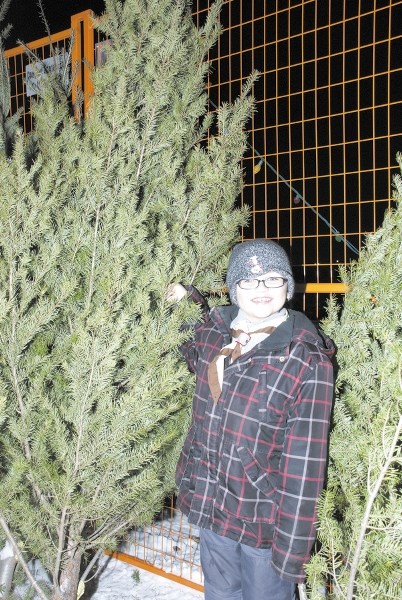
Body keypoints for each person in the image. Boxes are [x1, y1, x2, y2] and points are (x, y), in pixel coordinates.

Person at [168, 239, 335, 600]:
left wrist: (292, 553)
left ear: (288, 287)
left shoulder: (306, 359)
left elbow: (305, 468)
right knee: (220, 594)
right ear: (233, 289)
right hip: (212, 508)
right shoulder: (215, 336)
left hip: (265, 525)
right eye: (249, 281)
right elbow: (185, 332)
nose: (262, 290)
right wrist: (186, 297)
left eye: (273, 279)